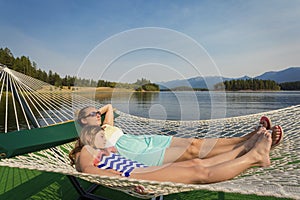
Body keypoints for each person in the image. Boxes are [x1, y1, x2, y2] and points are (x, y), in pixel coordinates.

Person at [72, 104, 283, 166]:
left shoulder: (106, 126)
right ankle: (249, 148)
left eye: (97, 114)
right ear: (82, 120)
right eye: (92, 114)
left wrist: (97, 112)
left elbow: (109, 107)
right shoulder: (90, 137)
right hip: (131, 151)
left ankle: (248, 138)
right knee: (191, 152)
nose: (97, 116)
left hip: (143, 140)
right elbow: (102, 157)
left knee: (194, 142)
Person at [70, 124, 274, 186]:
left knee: (196, 162)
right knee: (198, 172)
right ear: (89, 139)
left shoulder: (102, 150)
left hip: (140, 170)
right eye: (100, 136)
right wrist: (127, 182)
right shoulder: (85, 152)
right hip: (134, 175)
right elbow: (90, 170)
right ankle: (254, 157)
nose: (105, 139)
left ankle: (244, 149)